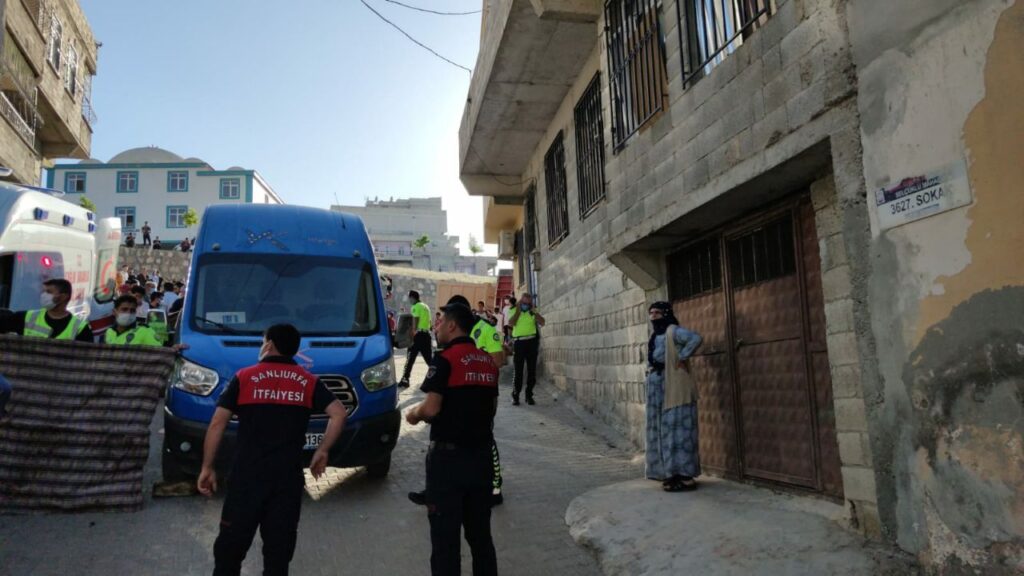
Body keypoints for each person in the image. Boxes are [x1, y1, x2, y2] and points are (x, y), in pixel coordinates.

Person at [198, 324, 347, 576]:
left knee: (229, 554)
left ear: (269, 344)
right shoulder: (308, 382)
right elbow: (338, 413)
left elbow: (217, 423)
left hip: (246, 478)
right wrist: (323, 450)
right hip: (286, 481)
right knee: (278, 558)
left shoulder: (244, 377)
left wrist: (207, 466)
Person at [405, 303, 499, 576]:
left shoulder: (445, 359)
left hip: (448, 463)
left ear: (452, 325)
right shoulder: (486, 362)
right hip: (481, 459)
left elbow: (431, 408)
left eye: (439, 321)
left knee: (446, 542)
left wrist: (413, 414)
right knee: (481, 538)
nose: (436, 326)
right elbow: (491, 409)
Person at [409, 295, 506, 508]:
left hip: (482, 390)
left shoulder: (486, 330)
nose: (441, 322)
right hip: (456, 391)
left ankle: (494, 486)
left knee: (485, 437)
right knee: (447, 437)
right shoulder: (451, 339)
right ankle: (436, 488)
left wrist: (475, 364)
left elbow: (499, 359)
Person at [645, 301, 703, 492]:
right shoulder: (655, 335)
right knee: (660, 427)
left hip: (674, 386)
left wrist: (682, 357)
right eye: (651, 312)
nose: (653, 316)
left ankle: (684, 475)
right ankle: (667, 472)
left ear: (666, 314)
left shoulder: (673, 331)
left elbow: (695, 338)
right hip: (657, 385)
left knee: (678, 428)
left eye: (657, 312)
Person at [0, 279, 92, 342]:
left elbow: (85, 359)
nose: (43, 295)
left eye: (49, 292)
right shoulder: (26, 317)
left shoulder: (80, 329)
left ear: (63, 297)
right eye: (43, 292)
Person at [508, 293, 545, 406]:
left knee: (531, 370)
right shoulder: (514, 310)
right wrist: (519, 311)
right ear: (520, 302)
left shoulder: (532, 311)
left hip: (532, 342)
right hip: (519, 343)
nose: (526, 305)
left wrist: (535, 312)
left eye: (528, 304)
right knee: (518, 370)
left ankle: (529, 395)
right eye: (524, 303)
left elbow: (542, 322)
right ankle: (515, 396)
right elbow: (511, 323)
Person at [399, 290, 432, 388]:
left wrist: (412, 333)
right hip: (426, 335)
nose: (409, 300)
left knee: (410, 358)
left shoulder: (415, 307)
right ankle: (438, 377)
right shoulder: (426, 307)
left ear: (413, 297)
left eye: (409, 298)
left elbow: (415, 319)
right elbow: (429, 323)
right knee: (429, 359)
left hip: (417, 336)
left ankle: (405, 379)